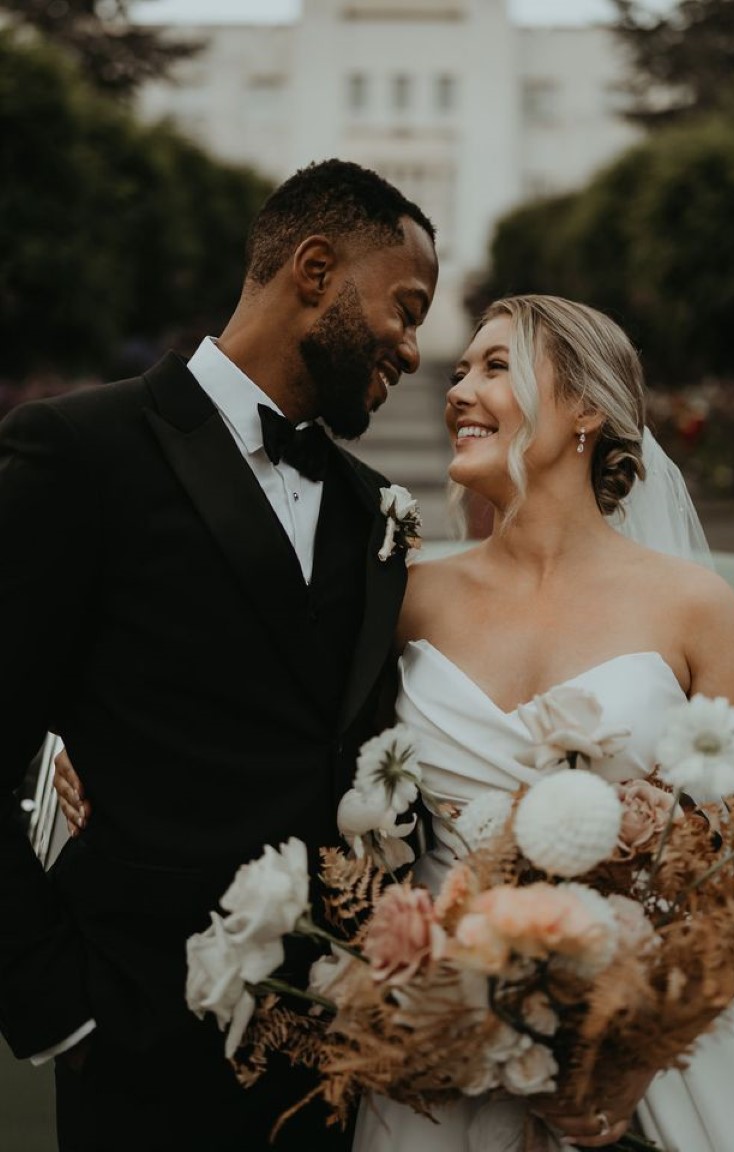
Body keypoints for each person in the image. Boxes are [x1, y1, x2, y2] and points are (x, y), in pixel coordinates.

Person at [55, 295, 734, 1150]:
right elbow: (253, 721)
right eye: (459, 370)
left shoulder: (698, 610)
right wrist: (84, 749)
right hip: (438, 1062)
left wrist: (634, 1059)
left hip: (642, 1062)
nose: (459, 388)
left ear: (586, 407)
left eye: (495, 367)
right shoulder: (405, 596)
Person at [0, 157, 438, 1152]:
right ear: (316, 270)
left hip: (338, 1063)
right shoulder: (80, 452)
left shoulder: (379, 510)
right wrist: (56, 1007)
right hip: (138, 1047)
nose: (414, 349)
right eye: (405, 309)